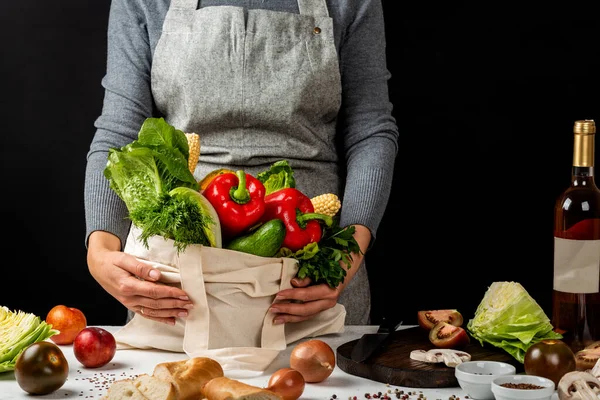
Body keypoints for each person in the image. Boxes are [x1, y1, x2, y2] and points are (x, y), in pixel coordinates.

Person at [84, 0, 399, 327]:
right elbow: (120, 133)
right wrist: (101, 252)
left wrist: (347, 255)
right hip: (178, 289)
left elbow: (370, 131)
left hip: (311, 279)